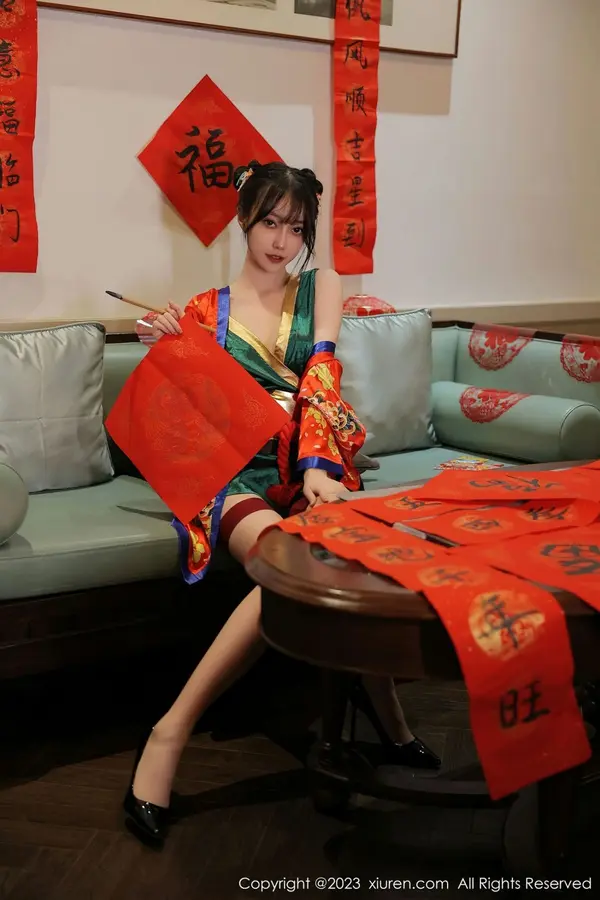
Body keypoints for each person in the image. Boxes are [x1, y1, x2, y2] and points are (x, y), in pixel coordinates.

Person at [124, 160, 441, 844]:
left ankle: (383, 703)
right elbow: (189, 414)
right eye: (270, 222)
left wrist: (320, 467)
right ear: (244, 219)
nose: (281, 240)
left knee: (355, 558)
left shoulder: (321, 285)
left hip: (308, 463)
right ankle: (169, 732)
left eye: (296, 228)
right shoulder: (204, 311)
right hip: (233, 475)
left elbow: (322, 371)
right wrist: (165, 348)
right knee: (286, 562)